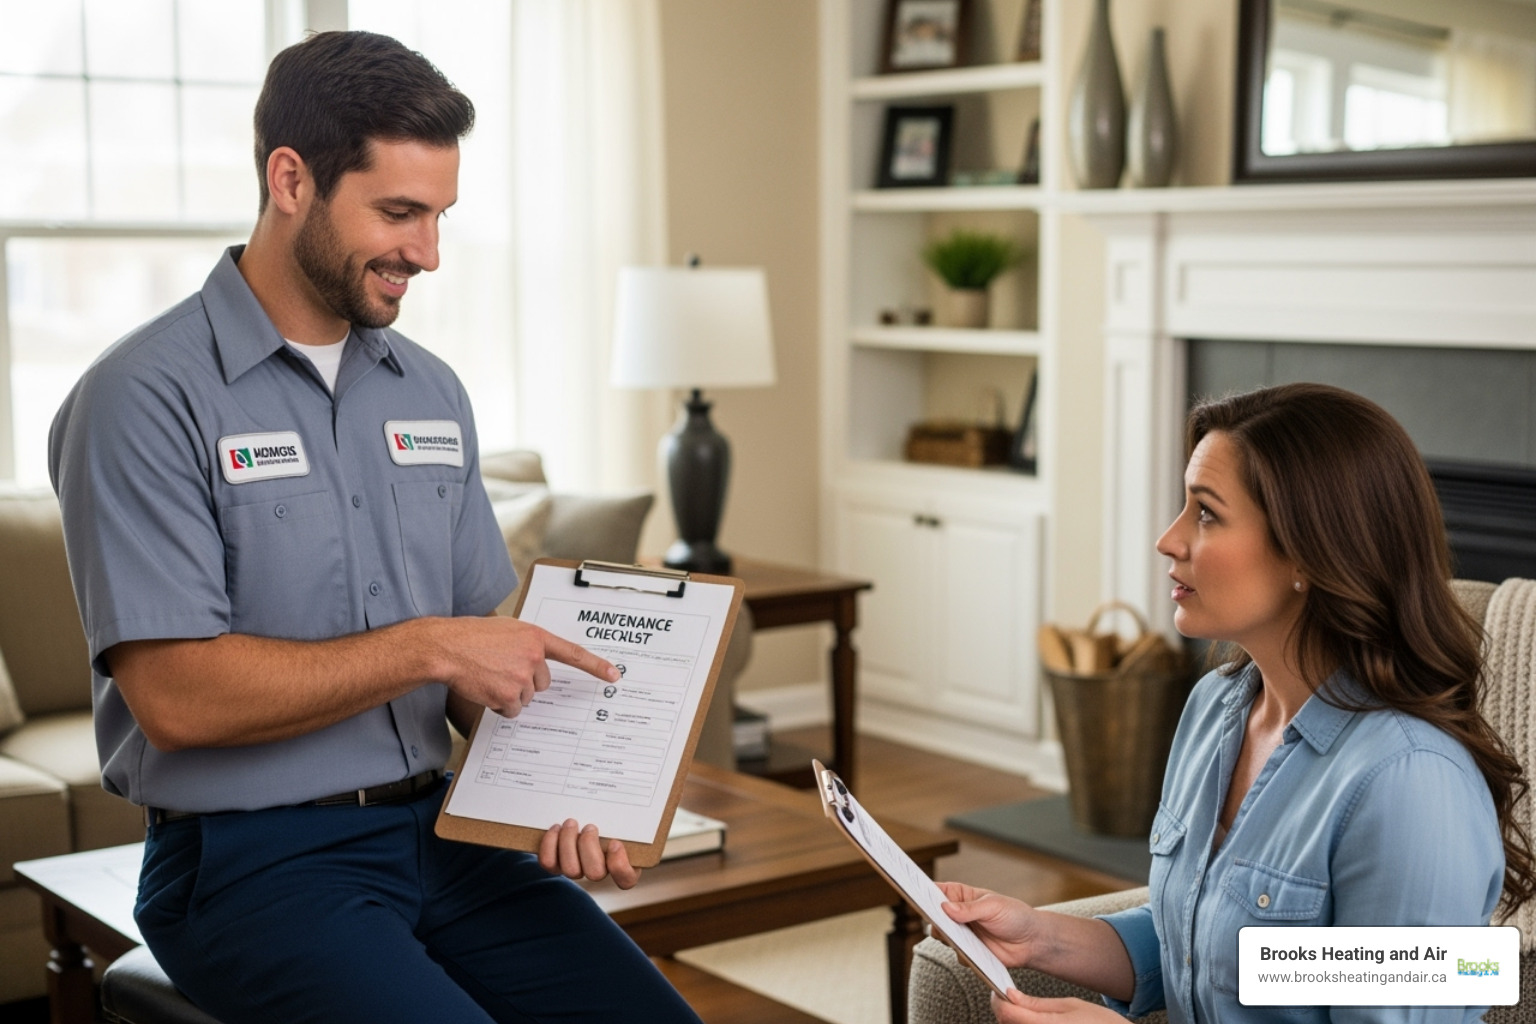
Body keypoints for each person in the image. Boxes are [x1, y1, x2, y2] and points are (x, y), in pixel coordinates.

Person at [48, 31, 703, 1024]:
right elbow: (177, 699)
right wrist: (429, 647)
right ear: (291, 180)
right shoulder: (141, 398)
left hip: (448, 839)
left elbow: (477, 667)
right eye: (398, 213)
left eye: (439, 217)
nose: (426, 254)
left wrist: (572, 790)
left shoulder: (431, 392)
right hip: (251, 867)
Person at [937, 383, 1535, 1024]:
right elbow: (1207, 948)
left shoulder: (1411, 783)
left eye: (1206, 514)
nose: (1169, 540)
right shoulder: (1216, 707)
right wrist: (1041, 937)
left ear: (1309, 552)